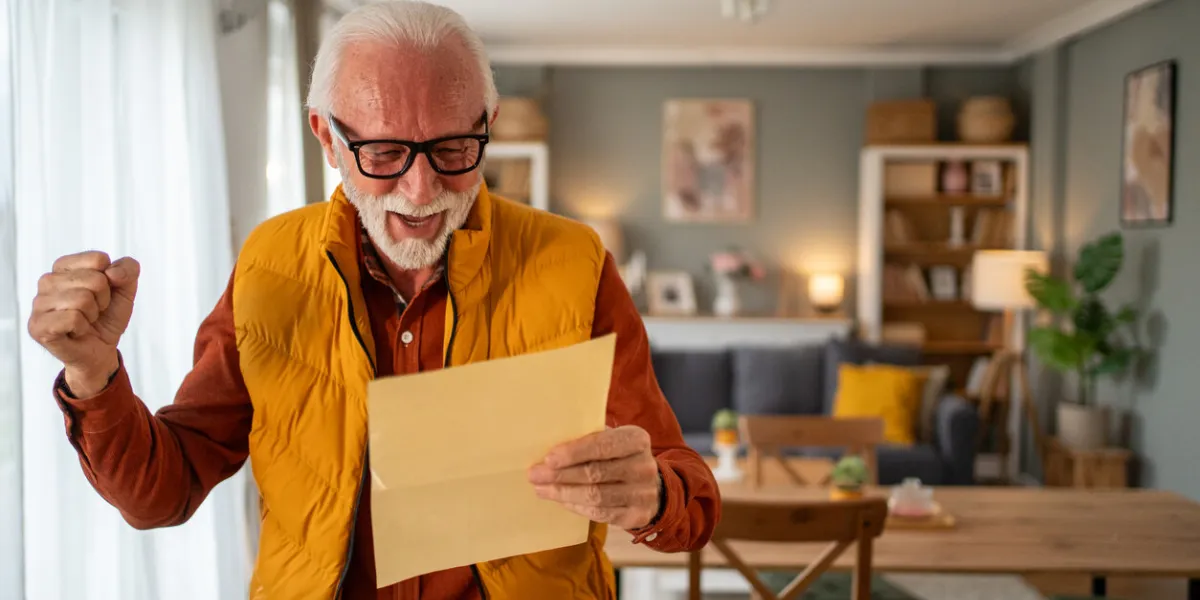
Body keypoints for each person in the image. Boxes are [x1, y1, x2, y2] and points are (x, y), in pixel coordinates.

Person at [26, 1, 720, 599]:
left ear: (490, 123)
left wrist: (652, 495)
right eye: (384, 153)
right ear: (326, 135)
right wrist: (93, 374)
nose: (422, 192)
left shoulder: (576, 264)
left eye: (454, 148)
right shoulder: (269, 264)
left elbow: (690, 501)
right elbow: (162, 493)